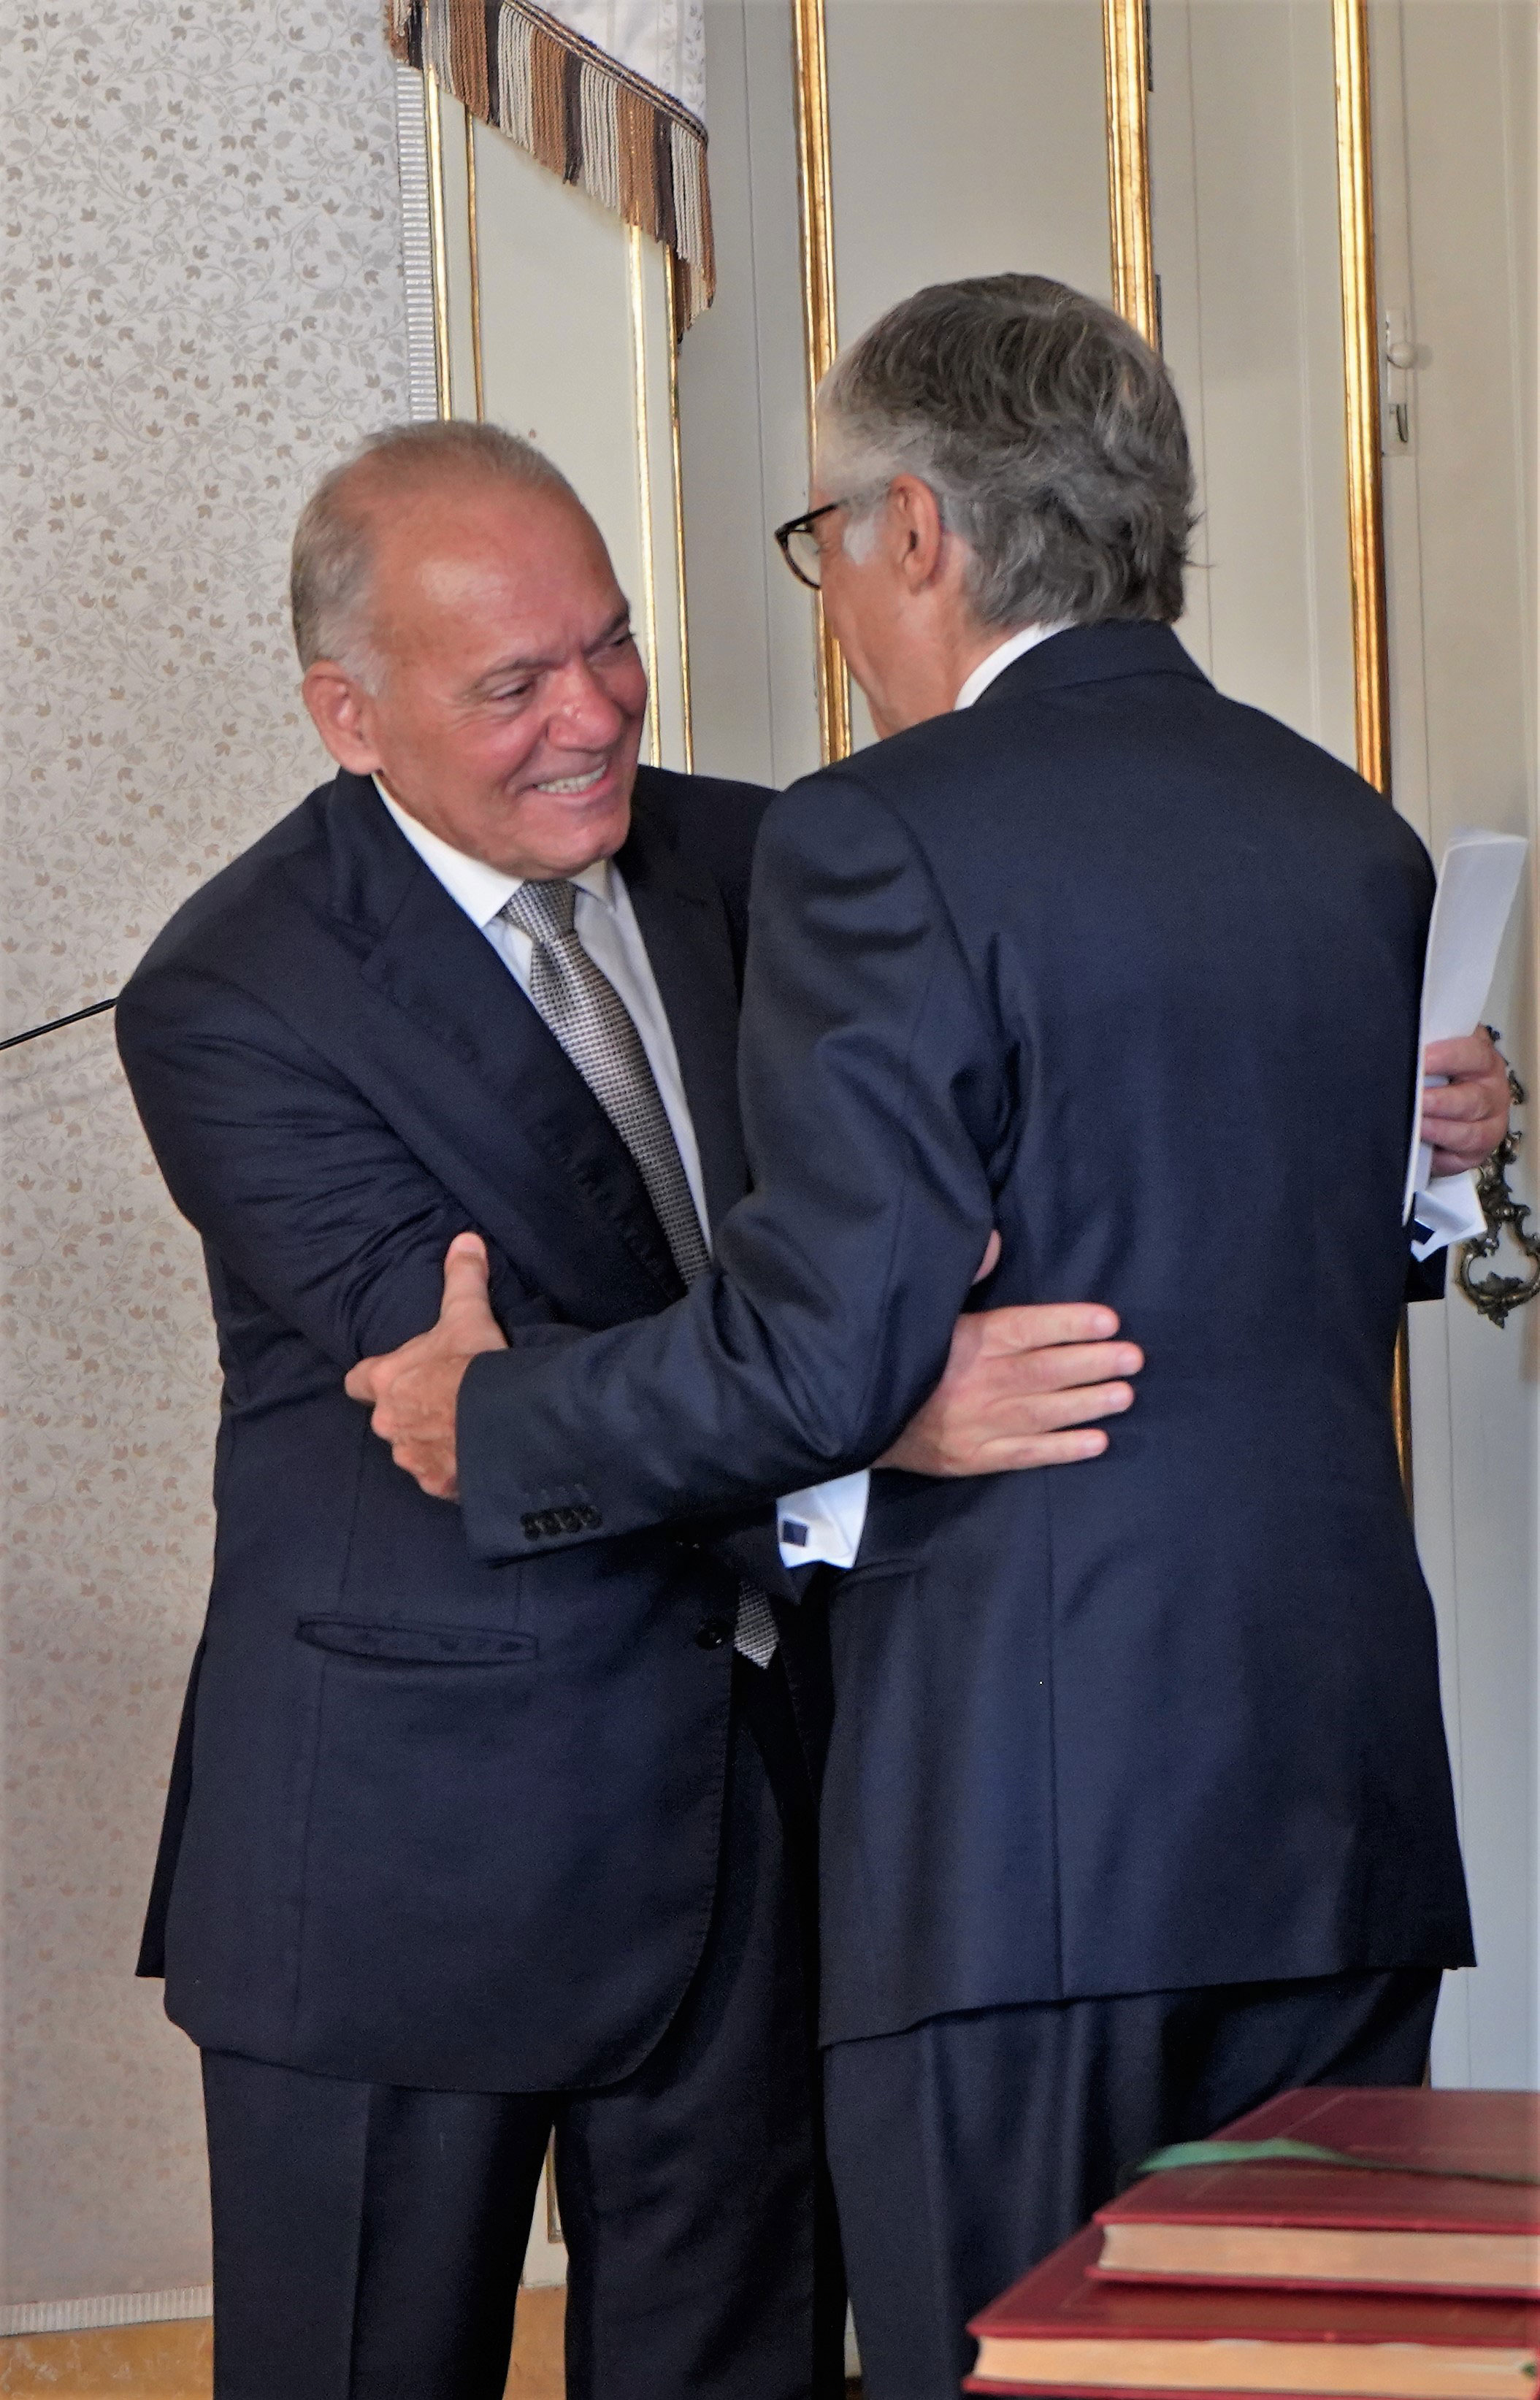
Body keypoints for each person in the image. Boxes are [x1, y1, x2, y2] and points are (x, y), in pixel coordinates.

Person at [348, 282, 1507, 2399]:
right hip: (1337, 1822)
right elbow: (1278, 1248)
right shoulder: (1347, 831)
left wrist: (502, 1417)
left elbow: (823, 1357)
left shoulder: (880, 832)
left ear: (913, 528)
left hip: (1029, 1837)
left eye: (827, 541)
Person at [116, 418, 1146, 2400]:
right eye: (513, 683)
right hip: (402, 1863)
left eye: (608, 645)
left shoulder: (775, 860)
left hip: (761, 1836)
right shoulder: (233, 995)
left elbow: (1062, 1116)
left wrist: (1394, 1109)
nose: (591, 717)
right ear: (350, 714)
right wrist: (877, 1416)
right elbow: (473, 1405)